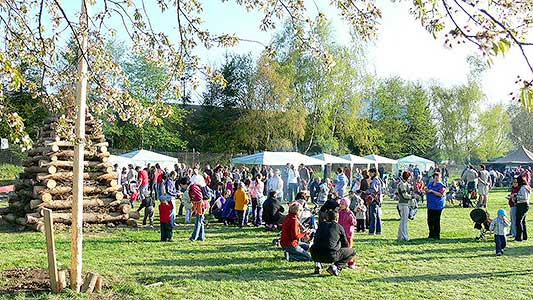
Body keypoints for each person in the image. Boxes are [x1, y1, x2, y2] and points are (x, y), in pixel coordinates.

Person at [310, 210, 356, 276]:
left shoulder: (321, 225)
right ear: (337, 218)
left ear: (327, 217)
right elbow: (345, 244)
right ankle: (335, 267)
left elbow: (315, 240)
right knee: (352, 251)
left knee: (316, 246)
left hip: (315, 253)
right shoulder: (339, 227)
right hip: (331, 255)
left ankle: (318, 264)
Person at [425, 172, 446, 239]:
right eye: (436, 178)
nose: (437, 179)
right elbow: (427, 190)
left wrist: (432, 191)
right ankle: (431, 233)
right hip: (430, 205)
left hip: (437, 206)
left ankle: (437, 235)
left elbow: (441, 194)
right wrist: (426, 190)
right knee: (430, 220)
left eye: (438, 178)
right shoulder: (430, 184)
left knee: (436, 220)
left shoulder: (441, 186)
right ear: (433, 178)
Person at [338, 197, 357, 268]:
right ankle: (341, 261)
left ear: (346, 205)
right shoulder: (339, 212)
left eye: (342, 204)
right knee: (341, 248)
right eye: (340, 204)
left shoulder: (350, 213)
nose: (340, 205)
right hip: (341, 234)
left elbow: (354, 223)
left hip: (348, 234)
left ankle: (351, 262)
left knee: (349, 249)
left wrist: (352, 220)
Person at [397, 171, 414, 241]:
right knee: (404, 221)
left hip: (405, 204)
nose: (410, 178)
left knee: (403, 221)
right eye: (409, 177)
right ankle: (405, 237)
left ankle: (400, 236)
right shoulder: (402, 184)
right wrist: (412, 196)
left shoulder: (405, 184)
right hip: (403, 204)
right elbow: (405, 195)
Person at [515, 176, 531, 241]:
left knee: (518, 221)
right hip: (525, 205)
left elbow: (524, 197)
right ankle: (525, 236)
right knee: (523, 221)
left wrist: (516, 196)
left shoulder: (523, 188)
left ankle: (519, 237)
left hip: (522, 205)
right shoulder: (527, 187)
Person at [367, 168, 382, 235]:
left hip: (374, 200)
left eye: (370, 172)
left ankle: (372, 231)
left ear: (373, 173)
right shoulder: (377, 179)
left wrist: (367, 191)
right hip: (377, 200)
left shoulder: (375, 180)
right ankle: (378, 231)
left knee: (373, 216)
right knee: (377, 216)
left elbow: (374, 190)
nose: (369, 174)